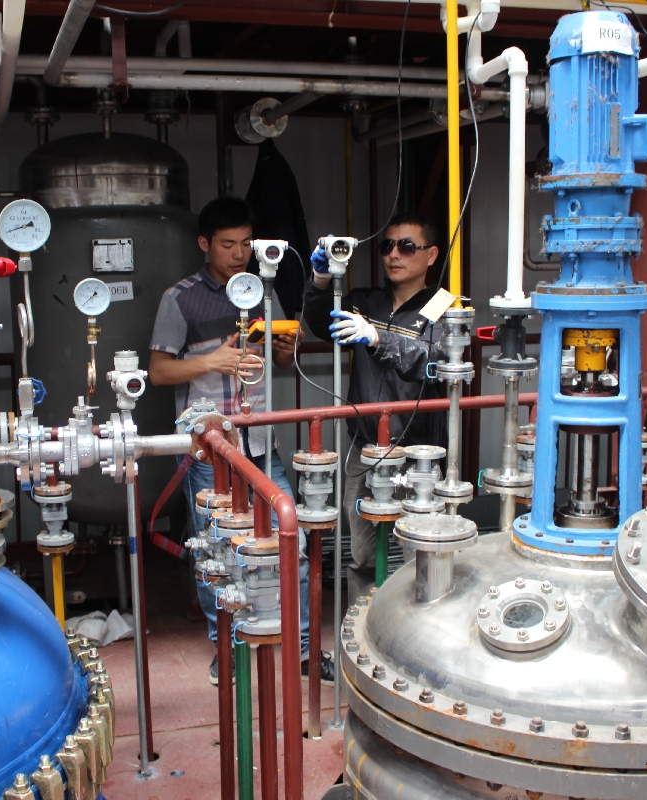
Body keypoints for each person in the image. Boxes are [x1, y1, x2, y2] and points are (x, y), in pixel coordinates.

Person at [149, 196, 334, 686]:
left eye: (246, 244)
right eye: (227, 244)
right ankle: (227, 650)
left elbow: (277, 362)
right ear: (204, 244)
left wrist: (285, 347)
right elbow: (159, 370)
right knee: (217, 553)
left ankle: (301, 650)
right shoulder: (180, 298)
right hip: (209, 451)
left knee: (291, 543)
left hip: (260, 445)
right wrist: (212, 361)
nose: (238, 254)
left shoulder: (261, 291)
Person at [302, 212, 448, 579]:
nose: (394, 254)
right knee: (364, 551)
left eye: (407, 246)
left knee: (420, 553)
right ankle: (365, 611)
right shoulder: (367, 302)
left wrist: (379, 338)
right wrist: (321, 280)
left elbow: (433, 359)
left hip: (416, 455)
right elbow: (319, 323)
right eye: (388, 246)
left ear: (431, 255)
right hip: (364, 448)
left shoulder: (443, 306)